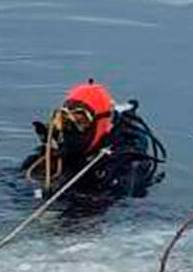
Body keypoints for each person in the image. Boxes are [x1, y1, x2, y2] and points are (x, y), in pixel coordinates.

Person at [20, 79, 166, 203]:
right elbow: (16, 186)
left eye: (81, 122)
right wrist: (37, 184)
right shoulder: (58, 151)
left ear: (100, 123)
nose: (72, 130)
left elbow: (118, 205)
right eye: (66, 121)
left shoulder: (127, 165)